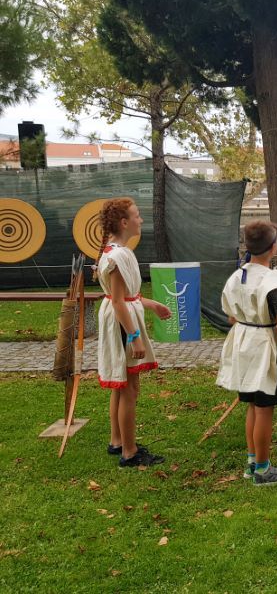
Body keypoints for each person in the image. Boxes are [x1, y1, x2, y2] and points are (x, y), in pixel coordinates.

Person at [217, 221, 277, 486]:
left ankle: (253, 463)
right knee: (264, 408)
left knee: (253, 405)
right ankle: (263, 470)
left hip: (243, 343)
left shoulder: (236, 276)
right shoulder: (276, 283)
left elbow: (231, 316)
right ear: (274, 247)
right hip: (263, 347)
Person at [95, 197, 171, 467]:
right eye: (137, 215)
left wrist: (152, 305)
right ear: (124, 222)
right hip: (121, 323)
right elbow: (118, 302)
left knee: (121, 384)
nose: (141, 220)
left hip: (119, 318)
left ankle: (117, 441)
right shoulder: (118, 256)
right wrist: (134, 337)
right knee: (129, 387)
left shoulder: (117, 251)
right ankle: (129, 452)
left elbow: (126, 296)